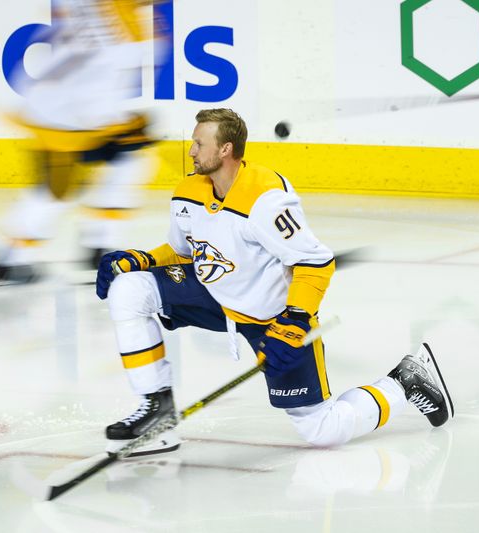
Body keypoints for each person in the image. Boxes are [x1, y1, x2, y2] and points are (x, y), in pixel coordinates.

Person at [94, 108, 454, 455]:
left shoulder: (266, 199)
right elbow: (182, 249)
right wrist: (141, 259)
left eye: (199, 144)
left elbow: (315, 261)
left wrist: (295, 321)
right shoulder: (188, 191)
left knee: (322, 429)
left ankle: (403, 382)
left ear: (225, 149)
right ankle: (156, 408)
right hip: (214, 296)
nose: (191, 151)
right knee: (130, 288)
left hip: (272, 318)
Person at [0, 0, 167, 283]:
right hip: (68, 110)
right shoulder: (116, 22)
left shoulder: (121, 18)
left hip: (79, 104)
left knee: (129, 163)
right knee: (58, 190)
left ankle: (99, 245)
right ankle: (9, 256)